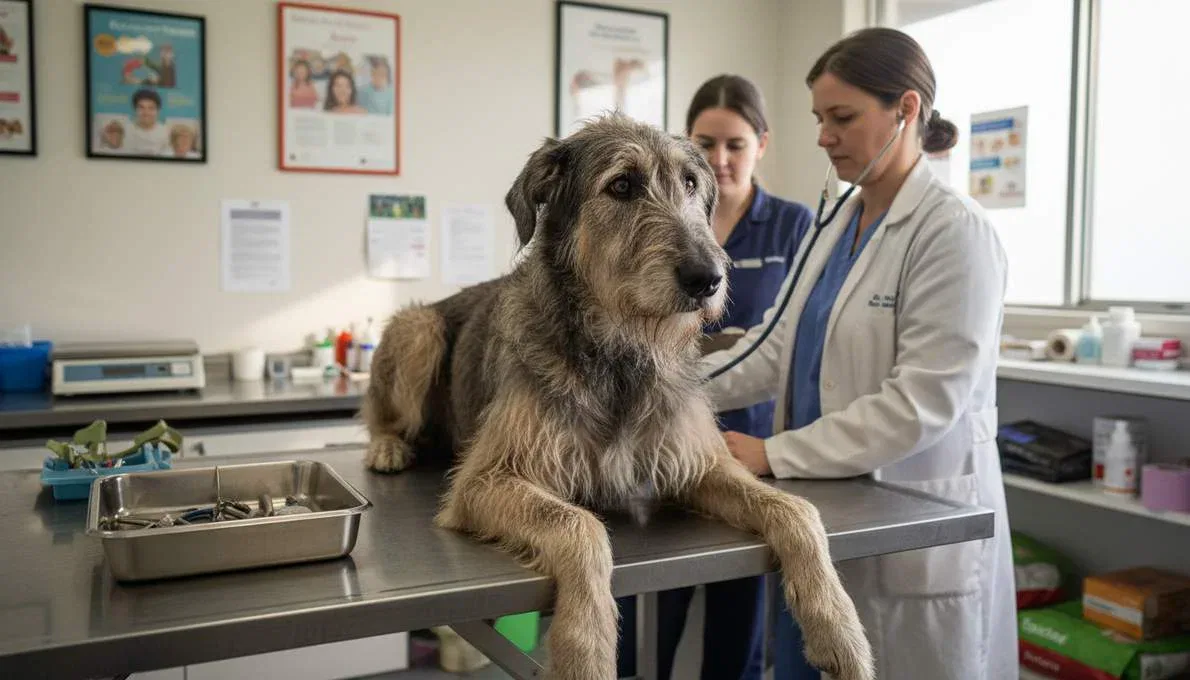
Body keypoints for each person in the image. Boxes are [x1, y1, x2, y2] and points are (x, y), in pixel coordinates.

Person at [701, 27, 1017, 680]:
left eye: (841, 118)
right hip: (821, 517)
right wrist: (660, 388)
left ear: (905, 110)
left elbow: (922, 402)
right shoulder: (835, 225)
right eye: (820, 118)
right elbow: (771, 346)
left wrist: (772, 454)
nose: (823, 136)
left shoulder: (955, 234)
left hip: (907, 526)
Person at [615, 74, 814, 680]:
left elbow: (784, 341)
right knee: (640, 624)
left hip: (742, 444)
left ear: (762, 144)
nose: (720, 160)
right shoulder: (656, 218)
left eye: (736, 144)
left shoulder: (792, 224)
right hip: (650, 439)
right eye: (706, 143)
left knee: (737, 631)